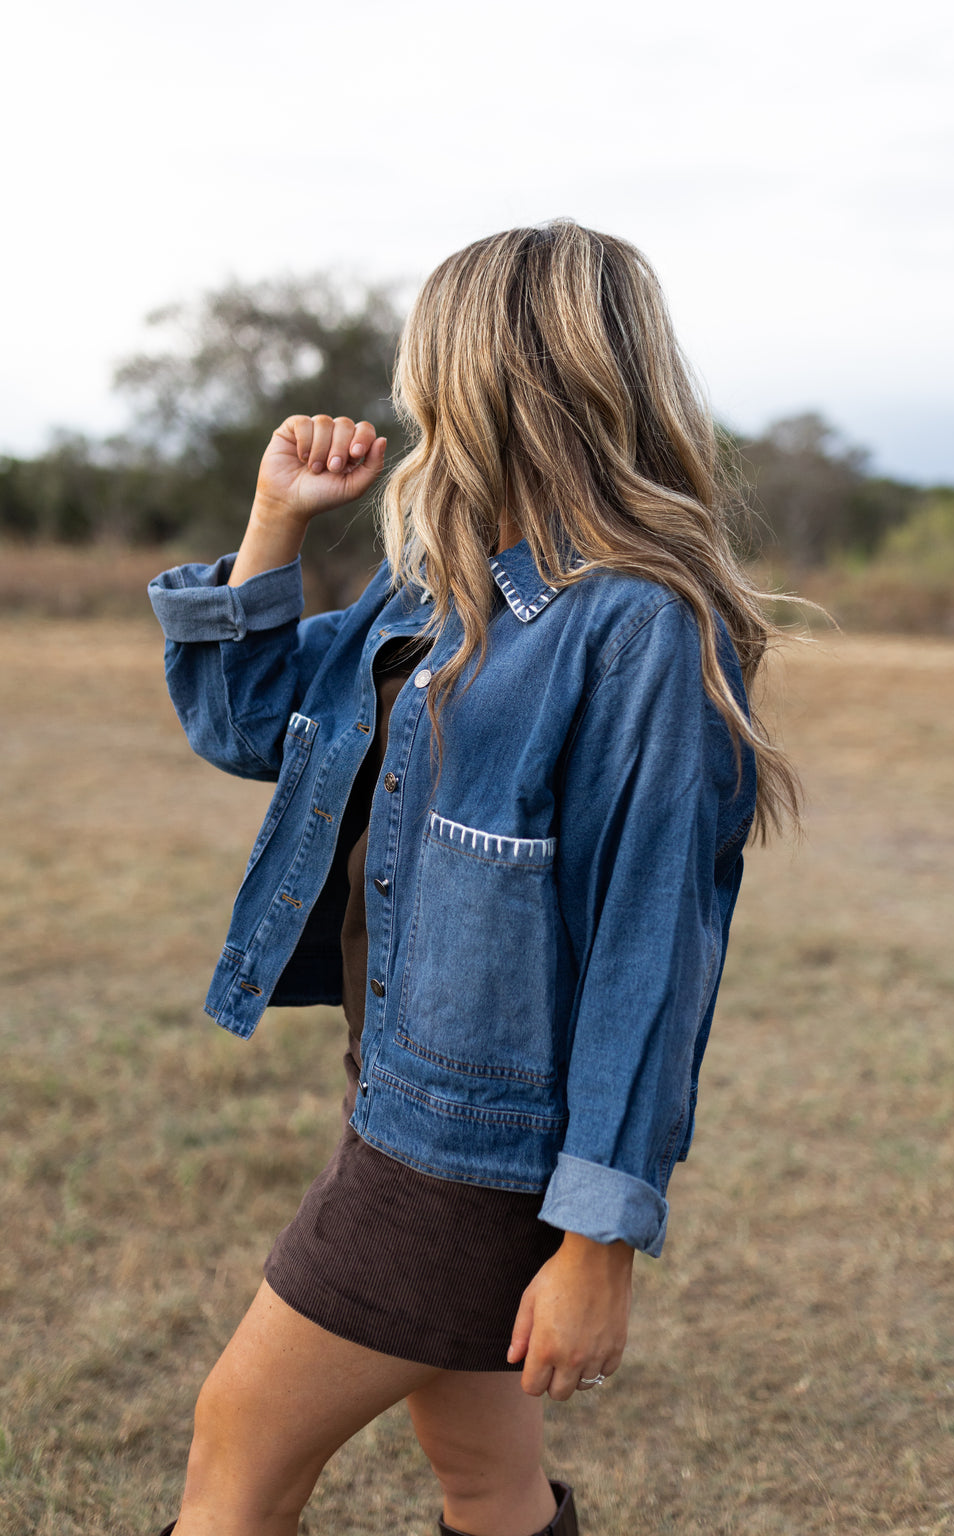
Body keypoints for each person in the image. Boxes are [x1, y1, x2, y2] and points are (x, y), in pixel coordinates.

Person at [147, 219, 800, 1536]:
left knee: (235, 1453)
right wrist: (275, 518)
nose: (411, 394)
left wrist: (598, 1243)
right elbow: (245, 721)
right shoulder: (432, 594)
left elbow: (647, 953)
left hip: (469, 1157)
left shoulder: (640, 628)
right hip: (394, 1096)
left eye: (426, 363)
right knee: (487, 1482)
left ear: (492, 377)